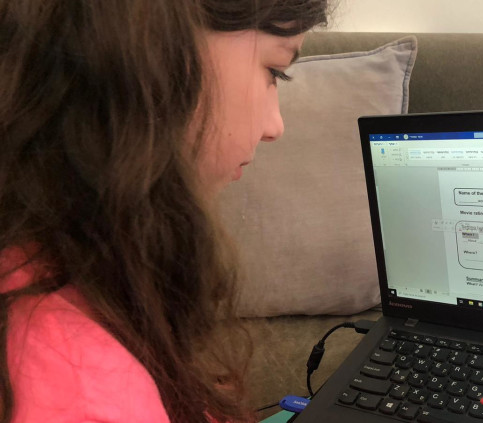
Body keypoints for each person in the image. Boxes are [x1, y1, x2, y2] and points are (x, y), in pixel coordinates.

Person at [0, 0, 328, 421]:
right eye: (274, 72)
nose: (274, 127)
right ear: (151, 51)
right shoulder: (85, 393)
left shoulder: (61, 261)